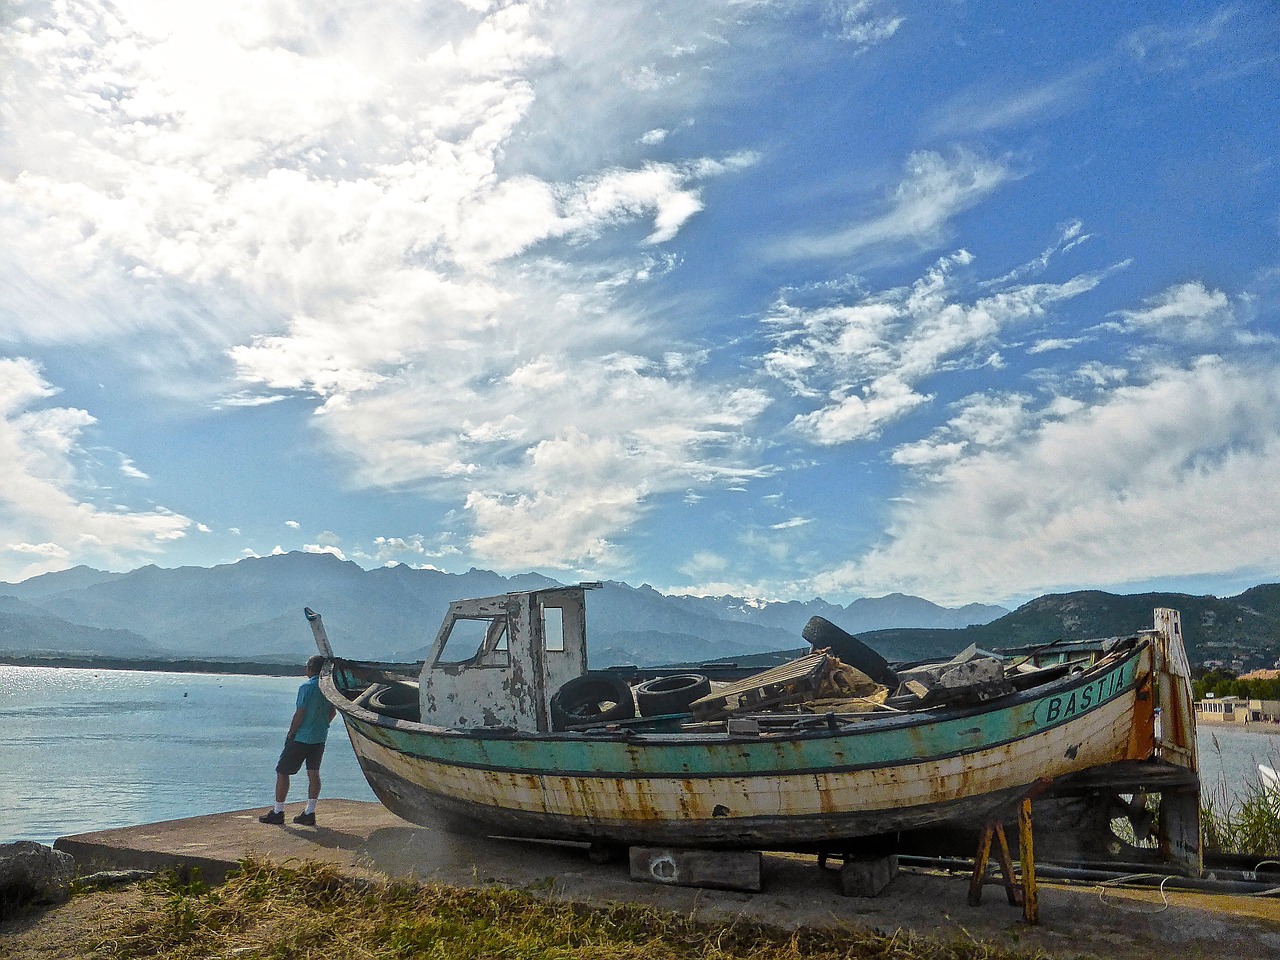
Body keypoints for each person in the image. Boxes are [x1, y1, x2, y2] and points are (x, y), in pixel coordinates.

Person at [259, 654, 336, 826]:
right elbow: (332, 712)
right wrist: (322, 724)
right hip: (319, 737)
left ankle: (278, 811)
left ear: (310, 669)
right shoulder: (329, 689)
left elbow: (300, 713)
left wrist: (291, 732)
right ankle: (310, 811)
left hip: (302, 737)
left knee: (283, 771)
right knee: (313, 773)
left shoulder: (306, 687)